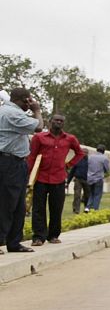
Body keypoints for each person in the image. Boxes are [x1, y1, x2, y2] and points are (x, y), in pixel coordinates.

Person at [27, 114, 85, 246]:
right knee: (38, 209)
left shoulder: (70, 139)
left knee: (56, 208)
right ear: (50, 122)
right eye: (56, 120)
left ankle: (53, 236)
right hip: (40, 178)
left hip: (58, 179)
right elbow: (32, 156)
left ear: (63, 123)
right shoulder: (39, 137)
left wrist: (68, 165)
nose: (58, 123)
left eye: (61, 121)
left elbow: (80, 153)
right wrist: (28, 175)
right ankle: (38, 237)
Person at [0, 88, 44, 254]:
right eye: (29, 100)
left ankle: (14, 242)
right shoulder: (12, 113)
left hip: (14, 162)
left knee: (18, 204)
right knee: (7, 203)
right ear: (25, 100)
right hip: (9, 162)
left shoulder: (7, 110)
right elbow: (38, 126)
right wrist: (37, 110)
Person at [85, 145, 110, 211]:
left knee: (91, 194)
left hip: (90, 178)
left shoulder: (90, 157)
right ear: (104, 151)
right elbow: (107, 170)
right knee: (97, 195)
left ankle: (87, 208)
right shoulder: (104, 158)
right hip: (98, 179)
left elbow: (87, 166)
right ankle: (95, 209)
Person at [66, 149, 89, 214]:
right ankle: (76, 209)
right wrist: (68, 182)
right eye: (83, 152)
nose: (84, 153)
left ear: (87, 153)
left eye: (86, 152)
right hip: (78, 180)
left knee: (87, 195)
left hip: (87, 180)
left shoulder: (89, 161)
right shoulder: (78, 160)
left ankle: (86, 209)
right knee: (77, 195)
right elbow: (72, 172)